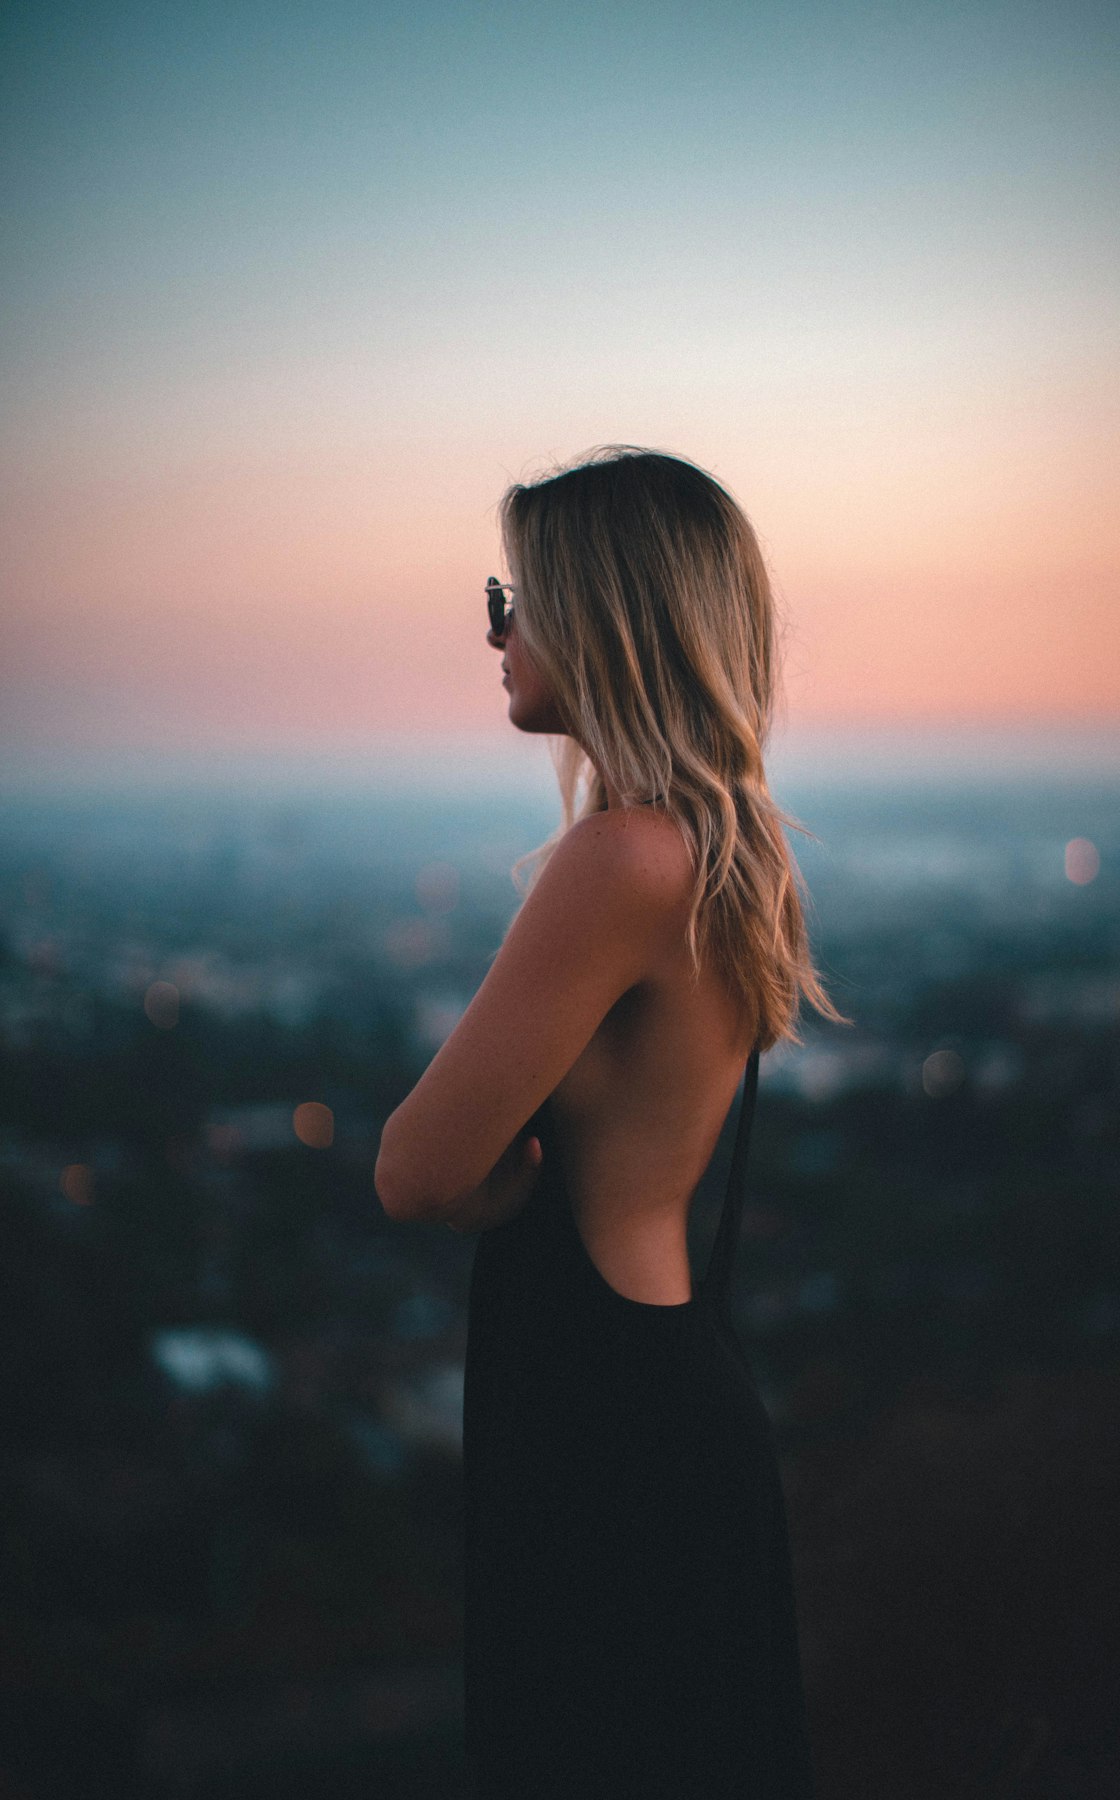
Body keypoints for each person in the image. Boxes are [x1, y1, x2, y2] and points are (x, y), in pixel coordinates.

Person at [375, 446, 848, 1798]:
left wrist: (495, 1184)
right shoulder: (729, 850)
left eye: (517, 596)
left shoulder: (620, 859)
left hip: (599, 1412)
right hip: (667, 1385)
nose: (496, 629)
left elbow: (414, 1168)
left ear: (607, 613)